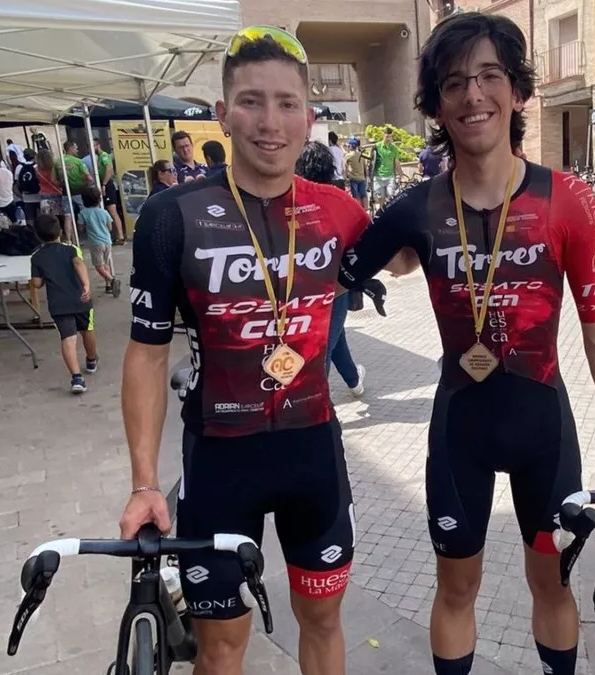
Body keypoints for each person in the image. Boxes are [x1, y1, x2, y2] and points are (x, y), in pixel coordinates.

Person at [337, 13, 595, 675]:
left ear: (518, 92)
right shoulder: (416, 209)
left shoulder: (566, 199)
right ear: (436, 105)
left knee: (552, 585)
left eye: (490, 76)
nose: (473, 95)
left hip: (542, 429)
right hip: (458, 430)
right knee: (455, 588)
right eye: (454, 82)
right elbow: (334, 267)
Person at [119, 26, 372, 675]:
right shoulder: (171, 216)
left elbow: (411, 253)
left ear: (309, 118)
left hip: (313, 455)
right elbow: (146, 353)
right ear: (222, 114)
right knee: (222, 645)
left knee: (323, 621)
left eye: (287, 103)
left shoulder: (340, 211)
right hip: (219, 463)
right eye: (251, 101)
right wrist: (144, 483)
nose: (270, 121)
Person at [295, 140, 366, 395]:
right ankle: (338, 390)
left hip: (301, 292)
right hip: (334, 289)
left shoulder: (289, 201)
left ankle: (349, 384)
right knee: (328, 342)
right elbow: (361, 241)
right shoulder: (337, 200)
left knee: (329, 340)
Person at [31, 214, 97, 394]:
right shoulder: (71, 249)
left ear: (37, 235)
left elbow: (36, 283)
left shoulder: (36, 257)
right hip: (80, 298)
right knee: (87, 330)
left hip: (58, 303)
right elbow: (78, 263)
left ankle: (76, 378)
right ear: (60, 231)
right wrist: (86, 285)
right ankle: (91, 360)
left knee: (68, 338)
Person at [77, 186, 120, 297]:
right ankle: (108, 285)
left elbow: (80, 228)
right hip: (107, 241)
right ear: (99, 199)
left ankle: (112, 280)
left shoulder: (83, 213)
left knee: (98, 266)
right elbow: (109, 227)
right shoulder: (104, 212)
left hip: (95, 243)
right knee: (105, 263)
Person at [84, 138, 126, 244]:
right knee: (108, 211)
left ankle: (120, 236)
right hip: (103, 184)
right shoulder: (99, 157)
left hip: (107, 185)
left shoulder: (104, 156)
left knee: (112, 211)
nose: (90, 149)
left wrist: (104, 184)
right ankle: (116, 235)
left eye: (92, 146)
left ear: (97, 145)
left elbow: (109, 169)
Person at [372, 126, 402, 203]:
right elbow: (371, 161)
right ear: (383, 135)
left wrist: (400, 174)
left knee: (391, 198)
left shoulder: (394, 148)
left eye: (390, 137)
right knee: (380, 199)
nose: (389, 139)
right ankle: (382, 210)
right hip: (378, 177)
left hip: (390, 177)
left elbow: (397, 162)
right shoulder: (376, 146)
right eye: (387, 136)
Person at [16, 148, 42, 223]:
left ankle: (31, 230)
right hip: (39, 195)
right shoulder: (37, 166)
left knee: (30, 218)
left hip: (26, 196)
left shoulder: (19, 167)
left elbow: (18, 183)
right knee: (42, 218)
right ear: (34, 156)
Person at [345, 137, 368, 209]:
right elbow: (365, 167)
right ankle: (365, 210)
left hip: (353, 178)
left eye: (348, 146)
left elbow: (345, 167)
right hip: (362, 178)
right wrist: (366, 176)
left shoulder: (348, 155)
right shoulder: (361, 155)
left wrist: (346, 176)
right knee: (363, 195)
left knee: (356, 196)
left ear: (351, 146)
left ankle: (359, 210)